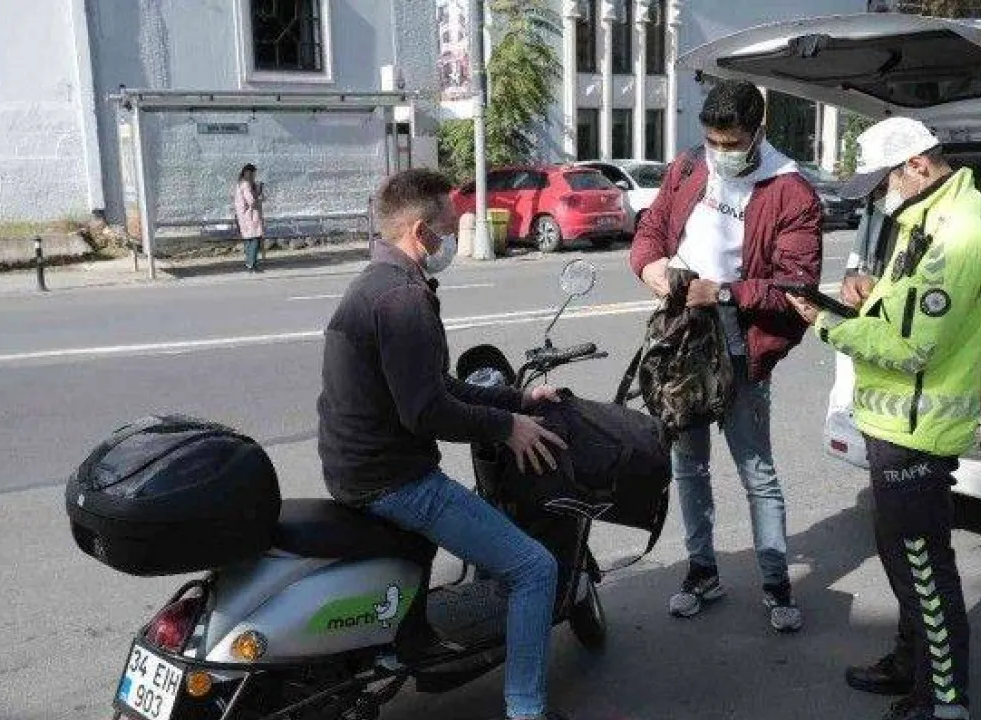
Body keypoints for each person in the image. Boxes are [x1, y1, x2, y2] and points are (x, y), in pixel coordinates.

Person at [316, 168, 570, 720]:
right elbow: (427, 411)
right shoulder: (403, 300)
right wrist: (508, 428)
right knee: (535, 569)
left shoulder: (374, 283)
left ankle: (409, 638)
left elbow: (435, 385)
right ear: (420, 232)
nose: (454, 237)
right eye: (449, 228)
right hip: (393, 481)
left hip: (355, 468)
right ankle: (526, 709)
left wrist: (516, 400)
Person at [787, 116, 981, 720]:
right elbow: (905, 309)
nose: (881, 193)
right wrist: (869, 295)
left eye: (885, 179)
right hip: (898, 423)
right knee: (902, 557)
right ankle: (910, 664)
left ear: (916, 164)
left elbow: (912, 348)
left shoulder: (961, 234)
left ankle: (944, 699)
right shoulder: (926, 217)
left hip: (920, 431)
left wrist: (825, 323)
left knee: (923, 570)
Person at [629, 79, 823, 630]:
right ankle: (702, 571)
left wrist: (724, 293)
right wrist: (650, 267)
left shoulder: (790, 190)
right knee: (688, 466)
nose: (720, 151)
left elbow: (797, 288)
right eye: (712, 140)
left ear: (759, 130)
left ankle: (776, 584)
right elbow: (651, 229)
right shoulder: (689, 166)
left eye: (731, 142)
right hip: (682, 340)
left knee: (756, 471)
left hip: (740, 345)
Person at [234, 164, 265, 272]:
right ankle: (252, 264)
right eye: (254, 174)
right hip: (250, 216)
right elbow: (251, 201)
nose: (255, 176)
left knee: (248, 240)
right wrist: (259, 192)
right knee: (255, 239)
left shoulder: (239, 184)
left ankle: (249, 263)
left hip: (242, 216)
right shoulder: (246, 185)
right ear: (249, 173)